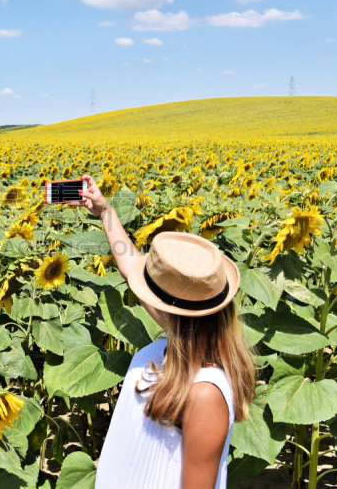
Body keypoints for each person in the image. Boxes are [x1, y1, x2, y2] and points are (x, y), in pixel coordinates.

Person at [72, 175, 256, 489]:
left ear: (175, 311)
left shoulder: (205, 393)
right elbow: (131, 266)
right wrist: (106, 213)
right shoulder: (178, 339)